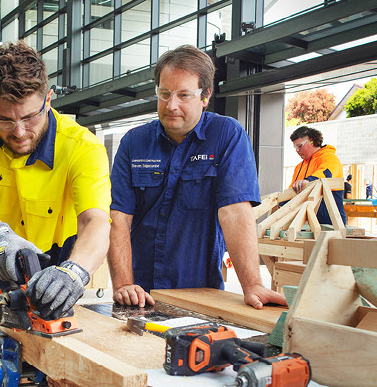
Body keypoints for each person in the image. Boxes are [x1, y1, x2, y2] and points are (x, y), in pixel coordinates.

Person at [0, 41, 112, 358]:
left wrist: (74, 273)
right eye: (5, 119)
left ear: (48, 98)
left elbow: (96, 221)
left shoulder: (82, 146)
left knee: (53, 365)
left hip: (57, 265)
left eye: (29, 117)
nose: (20, 131)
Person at [107, 45, 286, 309]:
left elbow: (235, 212)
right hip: (139, 293)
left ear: (206, 95)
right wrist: (123, 284)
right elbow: (118, 217)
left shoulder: (226, 135)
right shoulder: (134, 142)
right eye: (164, 93)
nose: (172, 105)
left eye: (183, 95)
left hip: (200, 292)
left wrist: (252, 285)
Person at [287, 126, 347, 225]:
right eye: (295, 147)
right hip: (307, 222)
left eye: (300, 146)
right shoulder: (299, 167)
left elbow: (326, 173)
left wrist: (309, 180)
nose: (297, 150)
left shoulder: (330, 158)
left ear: (311, 141)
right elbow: (291, 192)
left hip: (331, 221)